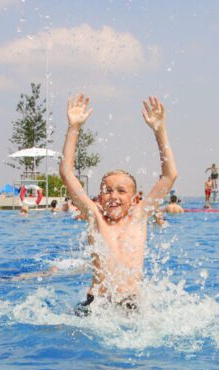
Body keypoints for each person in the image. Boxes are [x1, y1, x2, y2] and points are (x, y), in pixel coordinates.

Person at [58, 93, 177, 312]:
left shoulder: (139, 217)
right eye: (107, 190)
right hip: (97, 303)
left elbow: (169, 176)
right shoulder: (95, 217)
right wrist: (74, 127)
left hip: (130, 302)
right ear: (99, 197)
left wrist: (160, 130)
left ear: (134, 199)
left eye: (121, 191)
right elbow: (66, 173)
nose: (113, 196)